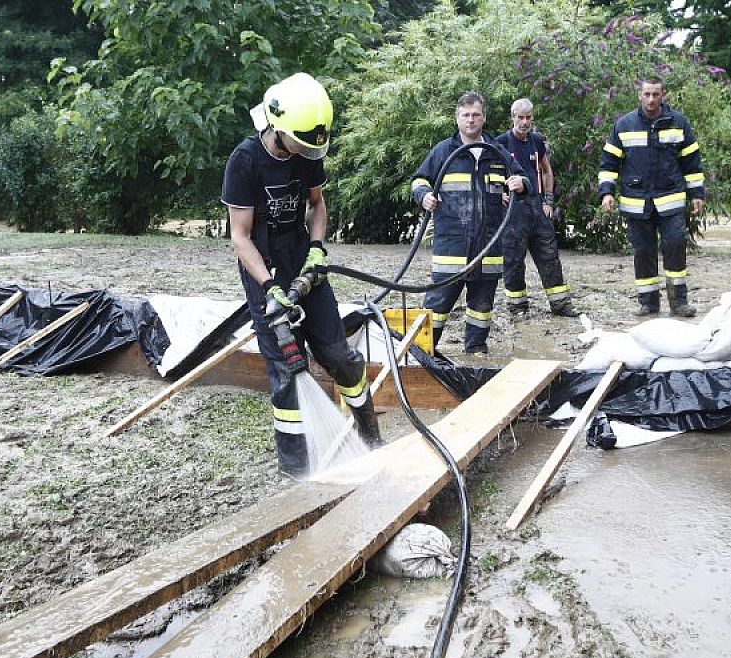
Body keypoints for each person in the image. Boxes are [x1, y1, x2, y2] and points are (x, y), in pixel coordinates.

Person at [221, 72, 381, 478]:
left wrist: (316, 250)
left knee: (341, 358)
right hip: (264, 270)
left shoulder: (307, 152)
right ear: (277, 127)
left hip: (302, 261)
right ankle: (297, 470)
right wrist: (271, 288)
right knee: (289, 374)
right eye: (300, 144)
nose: (309, 153)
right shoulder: (244, 162)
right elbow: (240, 238)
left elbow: (318, 206)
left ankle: (370, 437)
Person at [411, 92, 527, 354]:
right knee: (437, 304)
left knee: (482, 305)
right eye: (466, 115)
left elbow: (521, 177)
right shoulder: (443, 151)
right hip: (452, 245)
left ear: (484, 118)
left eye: (476, 115)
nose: (471, 120)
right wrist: (424, 196)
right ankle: (421, 352)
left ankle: (476, 351)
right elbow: (418, 180)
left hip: (488, 245)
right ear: (457, 119)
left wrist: (520, 184)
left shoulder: (496, 152)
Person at [598, 76, 705, 317]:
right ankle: (648, 303)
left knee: (675, 245)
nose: (651, 99)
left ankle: (679, 303)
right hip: (637, 203)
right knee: (643, 252)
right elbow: (608, 163)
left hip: (671, 200)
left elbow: (692, 162)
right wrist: (606, 193)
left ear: (663, 95)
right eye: (647, 94)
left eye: (656, 94)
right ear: (640, 95)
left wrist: (697, 194)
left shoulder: (678, 123)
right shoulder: (624, 125)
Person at [496, 98, 578, 319]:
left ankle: (560, 304)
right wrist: (497, 195)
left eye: (528, 117)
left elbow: (547, 171)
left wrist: (548, 201)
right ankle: (518, 307)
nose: (524, 122)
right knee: (513, 261)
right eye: (520, 117)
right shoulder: (500, 142)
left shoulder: (537, 141)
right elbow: (488, 174)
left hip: (537, 208)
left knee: (549, 256)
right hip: (513, 212)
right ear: (512, 117)